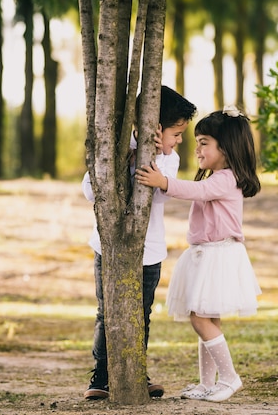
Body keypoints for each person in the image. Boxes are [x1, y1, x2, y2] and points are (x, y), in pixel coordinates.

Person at [135, 106, 262, 403]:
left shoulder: (225, 179)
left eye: (205, 142)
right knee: (208, 320)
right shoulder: (218, 176)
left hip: (218, 256)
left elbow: (195, 191)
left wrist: (163, 182)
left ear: (227, 148)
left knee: (199, 318)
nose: (198, 148)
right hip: (207, 255)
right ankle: (207, 384)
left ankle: (230, 378)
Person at [81, 85, 197, 400]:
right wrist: (122, 162)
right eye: (177, 132)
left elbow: (163, 192)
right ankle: (102, 375)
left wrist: (166, 153)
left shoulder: (169, 159)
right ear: (155, 127)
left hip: (150, 252)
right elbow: (90, 190)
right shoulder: (118, 148)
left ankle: (134, 370)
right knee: (107, 312)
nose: (180, 139)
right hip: (109, 249)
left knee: (141, 311)